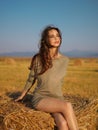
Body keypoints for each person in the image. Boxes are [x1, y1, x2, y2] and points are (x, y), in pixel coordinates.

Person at [15, 25, 79, 130]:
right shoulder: (38, 59)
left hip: (57, 99)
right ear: (45, 40)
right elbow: (31, 79)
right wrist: (22, 96)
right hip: (41, 98)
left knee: (63, 124)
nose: (56, 38)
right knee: (67, 106)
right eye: (52, 36)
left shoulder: (65, 60)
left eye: (58, 36)